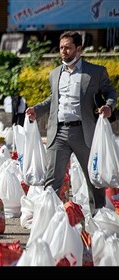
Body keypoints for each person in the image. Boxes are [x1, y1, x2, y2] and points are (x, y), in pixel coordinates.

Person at [25, 31, 117, 216]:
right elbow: (54, 99)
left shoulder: (95, 72)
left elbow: (110, 93)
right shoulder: (54, 74)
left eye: (67, 47)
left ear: (79, 49)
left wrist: (108, 107)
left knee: (94, 180)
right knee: (52, 181)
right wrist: (37, 110)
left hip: (84, 132)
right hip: (58, 133)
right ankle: (48, 220)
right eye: (61, 48)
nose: (63, 52)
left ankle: (99, 220)